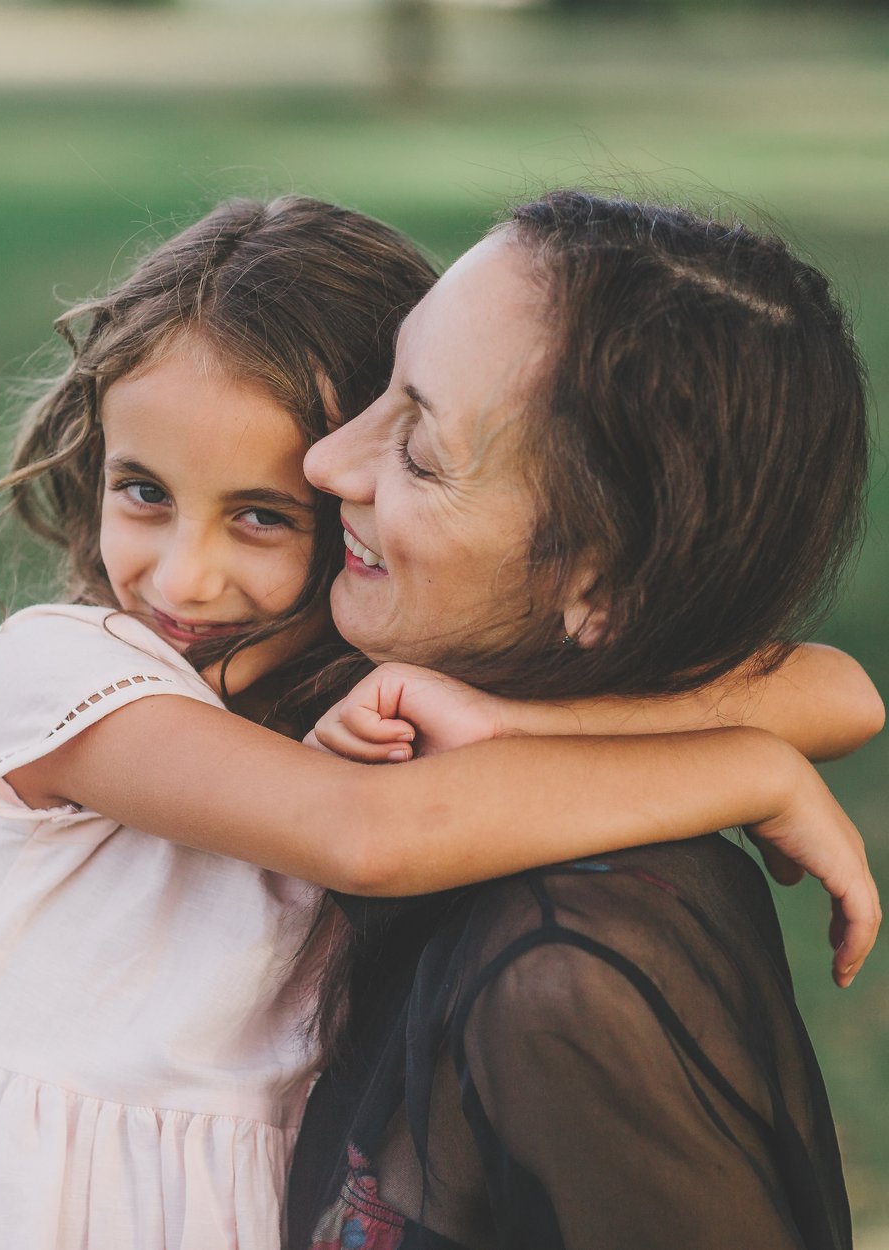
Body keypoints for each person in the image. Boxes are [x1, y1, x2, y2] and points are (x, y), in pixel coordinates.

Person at [0, 196, 876, 1250]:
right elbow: (364, 833)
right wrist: (750, 773)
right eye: (141, 491)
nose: (183, 574)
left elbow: (838, 689)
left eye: (262, 514)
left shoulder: (373, 679)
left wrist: (509, 716)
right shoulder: (69, 668)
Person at [284, 191, 883, 1249]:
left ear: (595, 584)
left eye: (421, 454)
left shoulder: (569, 974)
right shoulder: (367, 655)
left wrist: (752, 764)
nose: (325, 461)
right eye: (384, 385)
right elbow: (833, 689)